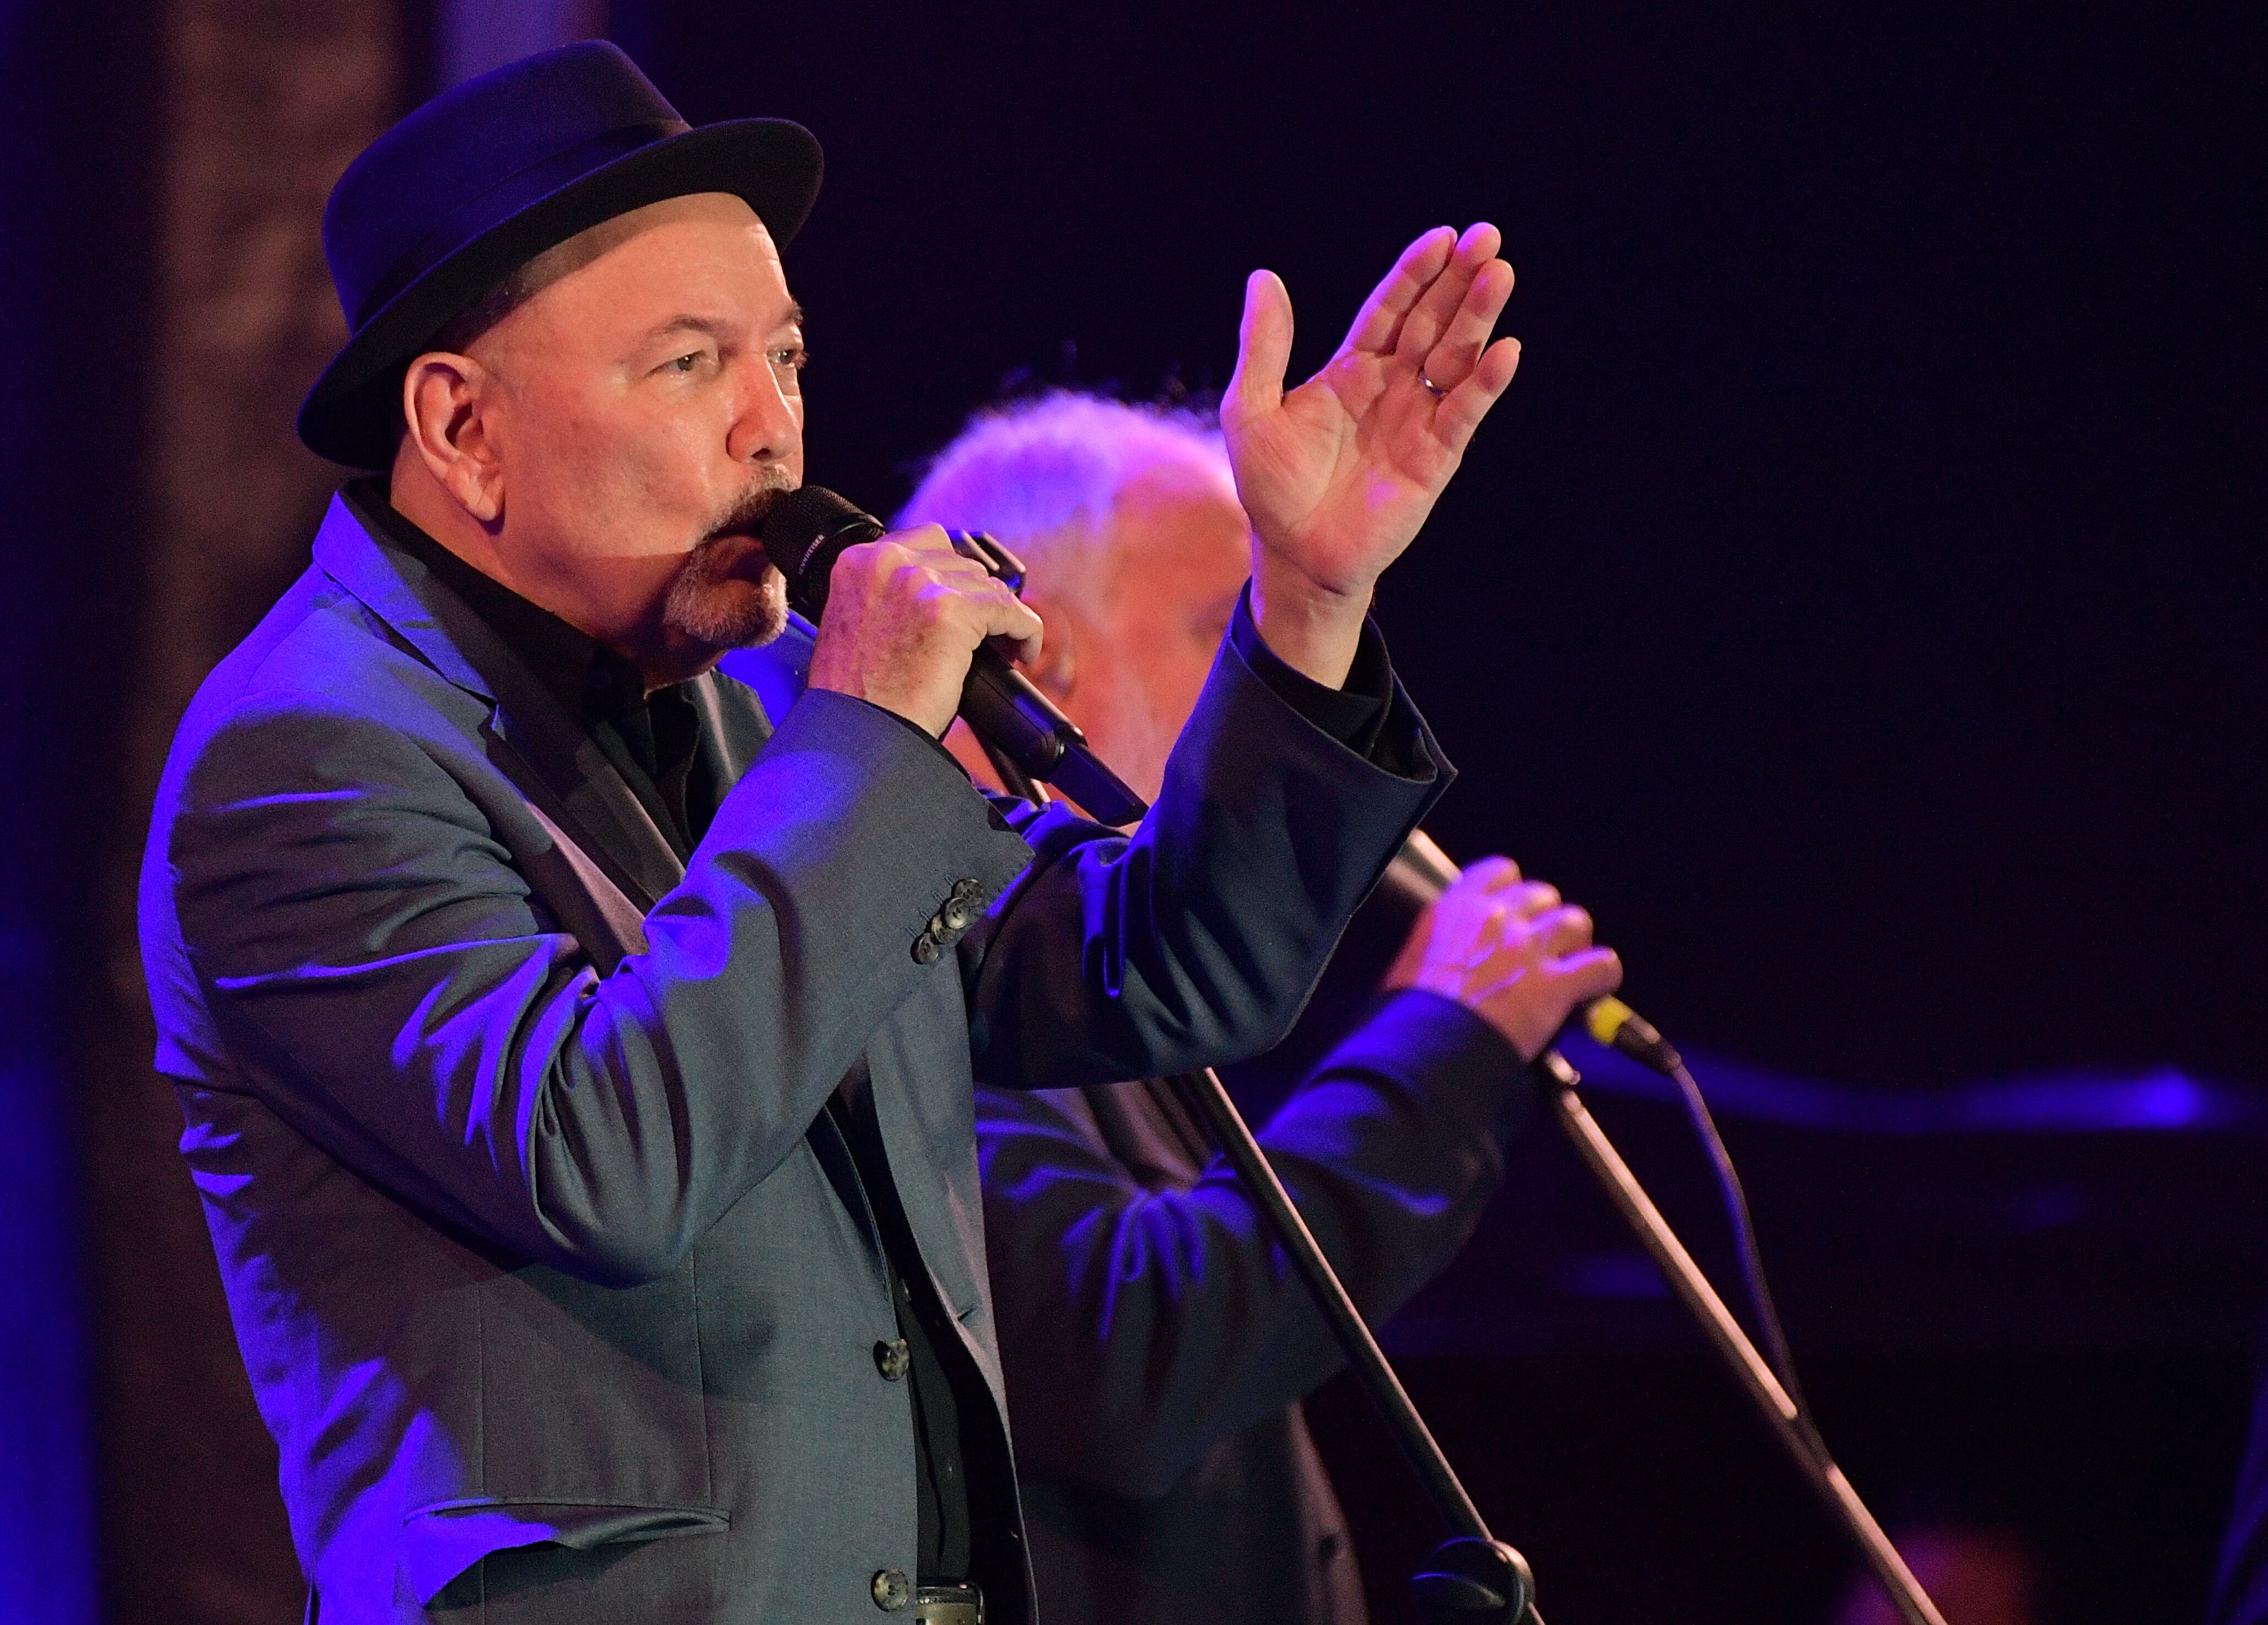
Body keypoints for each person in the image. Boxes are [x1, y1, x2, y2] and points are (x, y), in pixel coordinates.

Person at [136, 41, 1528, 1625]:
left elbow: (1159, 973)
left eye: (785, 358)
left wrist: (1308, 602)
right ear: (462, 429)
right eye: (686, 365)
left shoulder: (761, 700)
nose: (774, 433)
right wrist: (864, 742)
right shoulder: (309, 761)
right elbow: (603, 1155)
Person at [879, 393, 1619, 1625]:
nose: (1281, 682)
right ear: (1030, 650)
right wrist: (1443, 1051)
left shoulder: (1104, 989)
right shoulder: (915, 945)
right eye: (1225, 627)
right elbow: (1128, 1357)